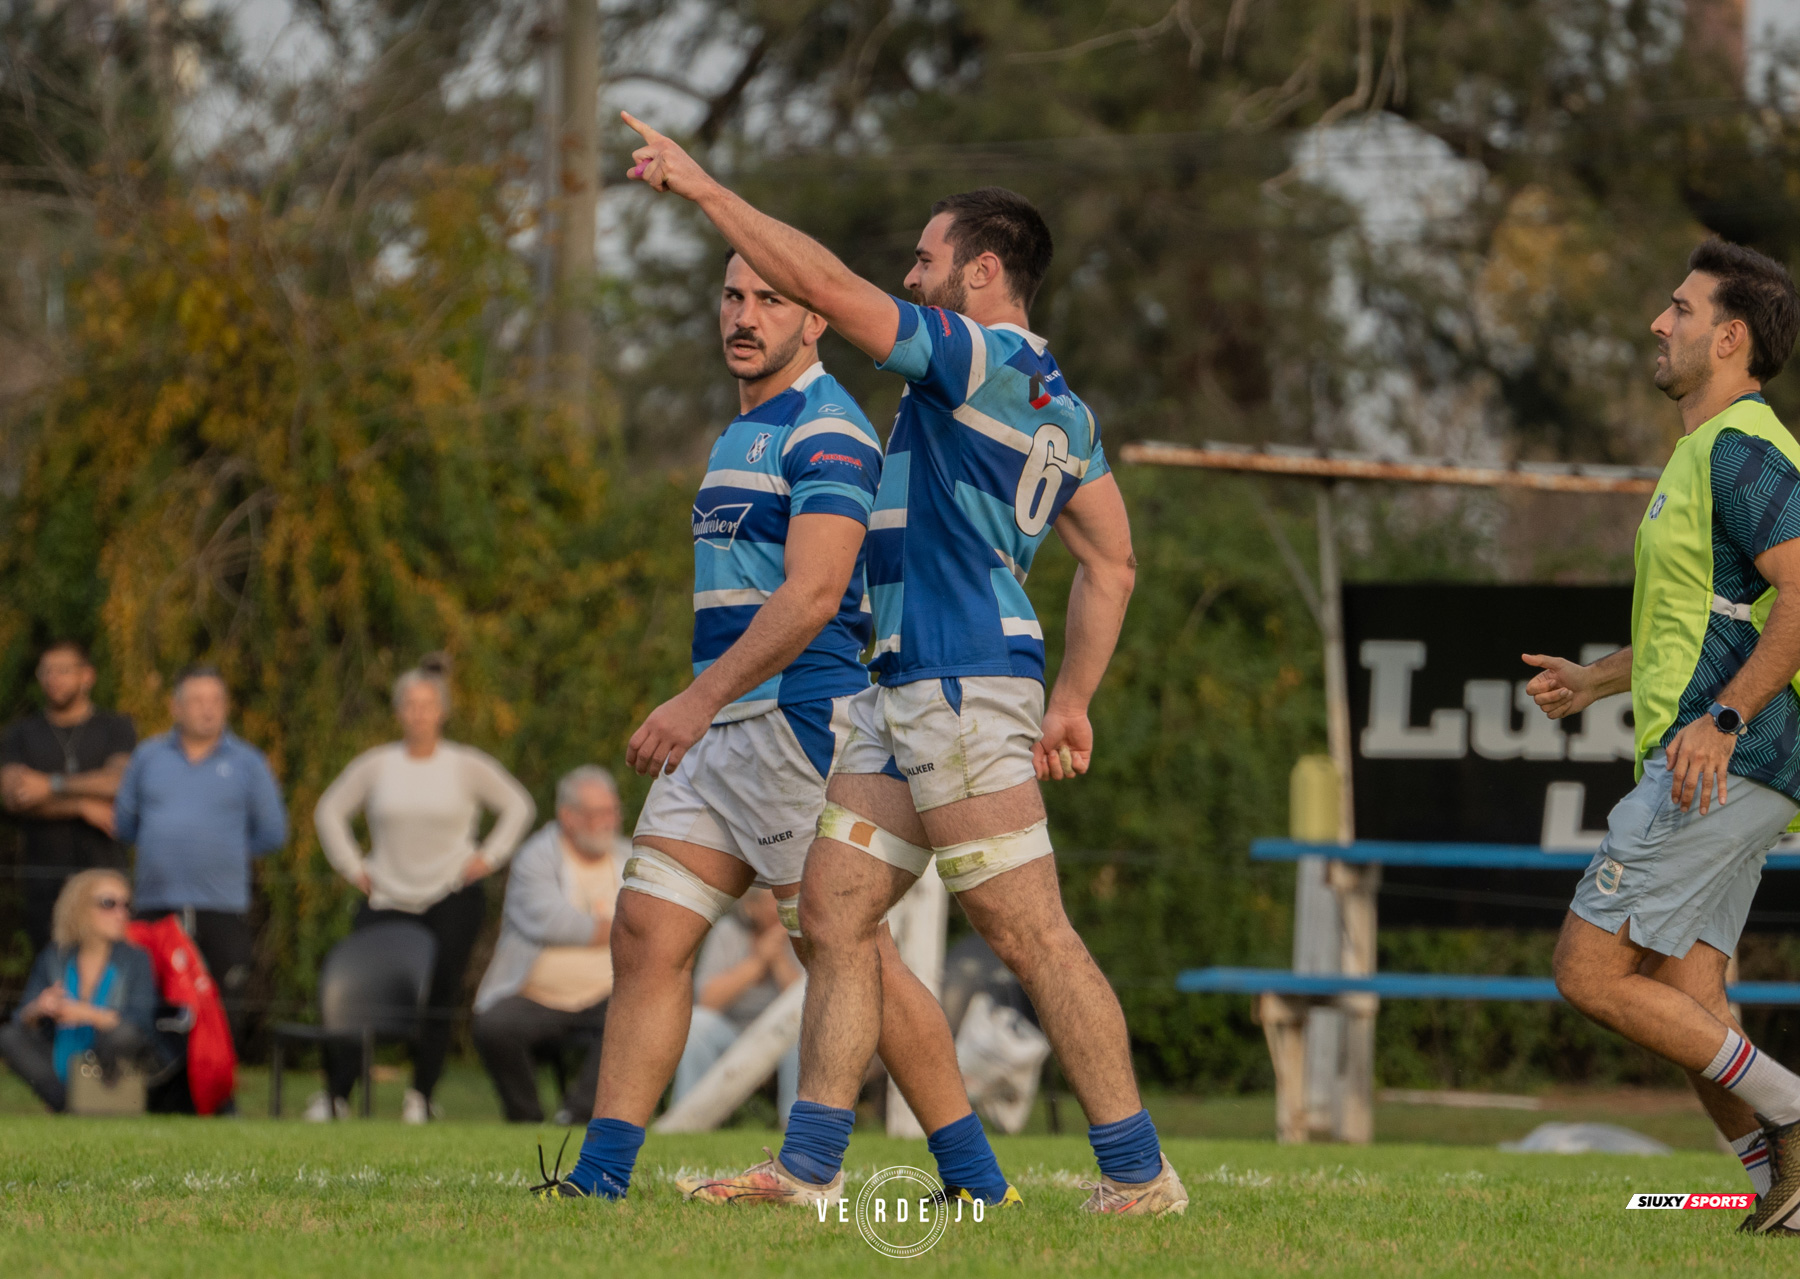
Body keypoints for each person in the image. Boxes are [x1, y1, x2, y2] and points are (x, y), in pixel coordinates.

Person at [620, 116, 1181, 1215]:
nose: (909, 278)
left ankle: (1137, 1172)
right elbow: (1110, 560)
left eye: (925, 261)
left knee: (1029, 931)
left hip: (959, 681)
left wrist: (701, 189)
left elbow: (820, 281)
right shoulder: (1063, 405)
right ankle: (810, 1170)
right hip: (908, 684)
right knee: (835, 916)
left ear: (982, 271)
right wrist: (1071, 700)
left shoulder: (981, 357)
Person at [546, 249, 1018, 1210]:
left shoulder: (830, 430)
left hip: (804, 728)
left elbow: (810, 598)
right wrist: (708, 710)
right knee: (644, 929)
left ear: (816, 320)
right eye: (732, 296)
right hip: (726, 735)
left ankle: (975, 1179)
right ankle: (599, 1181)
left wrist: (693, 702)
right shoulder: (742, 427)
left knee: (853, 957)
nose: (745, 314)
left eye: (772, 298)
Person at [1526, 239, 1800, 1235]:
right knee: (1691, 998)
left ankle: (1795, 1113)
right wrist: (1596, 679)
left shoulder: (1741, 446)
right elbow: (1708, 619)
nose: (1659, 321)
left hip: (1726, 755)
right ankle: (1786, 1186)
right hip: (1735, 760)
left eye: (1679, 309)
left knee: (1589, 973)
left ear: (1729, 339)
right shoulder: (1702, 454)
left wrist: (1725, 720)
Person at [313, 656, 534, 1123]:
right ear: (398, 712)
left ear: (442, 711)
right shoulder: (376, 765)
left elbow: (519, 806)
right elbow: (329, 811)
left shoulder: (466, 765)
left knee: (438, 996)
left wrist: (488, 858)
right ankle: (335, 1096)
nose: (419, 713)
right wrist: (353, 866)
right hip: (386, 894)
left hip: (451, 894)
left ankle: (421, 1097)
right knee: (360, 993)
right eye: (410, 705)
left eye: (428, 704)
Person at [115, 665, 287, 1058]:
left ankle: (217, 1091)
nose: (207, 710)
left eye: (216, 701)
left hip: (221, 905)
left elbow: (272, 833)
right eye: (197, 701)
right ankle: (156, 1085)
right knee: (151, 996)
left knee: (221, 1002)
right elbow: (125, 824)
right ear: (176, 707)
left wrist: (217, 851)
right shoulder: (148, 757)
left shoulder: (248, 763)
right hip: (157, 904)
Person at [472, 766, 626, 1124]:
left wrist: (610, 929)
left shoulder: (630, 856)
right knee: (495, 1026)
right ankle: (526, 1120)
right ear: (567, 817)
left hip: (609, 993)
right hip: (537, 997)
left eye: (611, 812)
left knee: (635, 1019)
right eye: (595, 814)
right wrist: (623, 927)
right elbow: (556, 923)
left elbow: (655, 923)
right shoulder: (535, 857)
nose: (606, 822)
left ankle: (577, 1115)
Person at [0, 641, 137, 953]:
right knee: (52, 976)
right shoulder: (21, 734)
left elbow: (118, 782)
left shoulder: (116, 727)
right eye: (46, 671)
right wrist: (82, 805)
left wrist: (51, 785)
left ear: (87, 676)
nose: (53, 678)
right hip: (43, 885)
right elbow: (14, 796)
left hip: (105, 879)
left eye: (63, 670)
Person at [0, 869, 161, 1112]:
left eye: (126, 905)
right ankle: (70, 1106)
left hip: (107, 1060)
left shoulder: (136, 959)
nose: (121, 913)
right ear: (79, 907)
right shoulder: (54, 957)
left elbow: (141, 1024)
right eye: (109, 903)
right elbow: (22, 1017)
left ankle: (92, 1102)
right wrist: (40, 1007)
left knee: (123, 1036)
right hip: (59, 1058)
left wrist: (85, 1014)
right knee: (9, 1035)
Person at [673, 889, 803, 1125]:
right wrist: (757, 962)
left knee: (803, 1030)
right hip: (732, 1031)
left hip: (782, 1037)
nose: (780, 907)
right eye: (772, 902)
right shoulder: (727, 932)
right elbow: (707, 1000)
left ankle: (795, 1127)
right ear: (750, 907)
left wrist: (779, 961)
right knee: (697, 1024)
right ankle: (688, 1121)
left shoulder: (801, 936)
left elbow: (807, 1004)